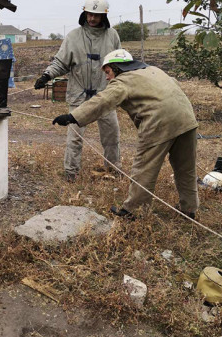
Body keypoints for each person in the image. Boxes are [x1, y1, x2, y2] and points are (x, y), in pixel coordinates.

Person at [52, 49, 199, 220]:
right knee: (186, 168)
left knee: (144, 169)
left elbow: (103, 101)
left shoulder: (123, 81)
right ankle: (189, 209)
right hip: (187, 120)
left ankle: (133, 212)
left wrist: (73, 117)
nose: (107, 77)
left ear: (117, 67)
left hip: (159, 123)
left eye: (108, 72)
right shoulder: (155, 70)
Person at [34, 0, 121, 182]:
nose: (92, 19)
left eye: (96, 15)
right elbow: (60, 62)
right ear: (84, 13)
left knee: (112, 136)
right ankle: (71, 173)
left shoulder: (112, 36)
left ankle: (113, 171)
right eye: (89, 14)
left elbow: (119, 63)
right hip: (79, 96)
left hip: (105, 95)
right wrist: (46, 75)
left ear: (103, 16)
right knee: (74, 138)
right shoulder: (73, 36)